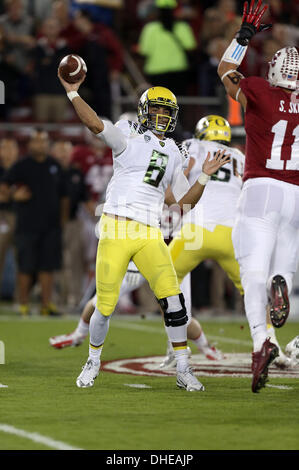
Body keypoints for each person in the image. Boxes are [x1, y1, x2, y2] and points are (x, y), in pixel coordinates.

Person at [58, 68, 230, 391]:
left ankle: (183, 367)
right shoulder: (126, 133)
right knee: (105, 305)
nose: (162, 115)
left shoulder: (174, 152)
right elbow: (95, 124)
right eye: (157, 109)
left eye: (167, 111)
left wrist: (204, 175)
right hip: (117, 226)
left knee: (174, 301)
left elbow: (182, 202)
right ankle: (93, 360)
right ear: (144, 111)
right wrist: (73, 92)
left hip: (150, 231)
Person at [161, 114, 292, 369]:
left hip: (194, 231)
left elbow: (178, 177)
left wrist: (174, 205)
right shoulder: (240, 157)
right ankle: (270, 343)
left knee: (164, 286)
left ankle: (175, 348)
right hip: (231, 234)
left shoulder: (192, 145)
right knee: (253, 293)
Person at [217, 0, 299, 392]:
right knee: (282, 261)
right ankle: (282, 279)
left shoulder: (260, 91)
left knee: (251, 272)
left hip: (262, 187)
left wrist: (244, 34)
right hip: (296, 194)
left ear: (274, 71)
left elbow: (225, 71)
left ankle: (260, 341)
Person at [0, 129, 69, 316]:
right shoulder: (21, 166)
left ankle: (46, 305)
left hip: (51, 226)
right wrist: (14, 195)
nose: (41, 145)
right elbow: (4, 187)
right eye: (37, 141)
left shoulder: (54, 165)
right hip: (27, 225)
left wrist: (62, 221)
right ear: (30, 144)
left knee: (48, 267)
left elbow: (64, 197)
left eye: (44, 141)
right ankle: (23, 304)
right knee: (26, 267)